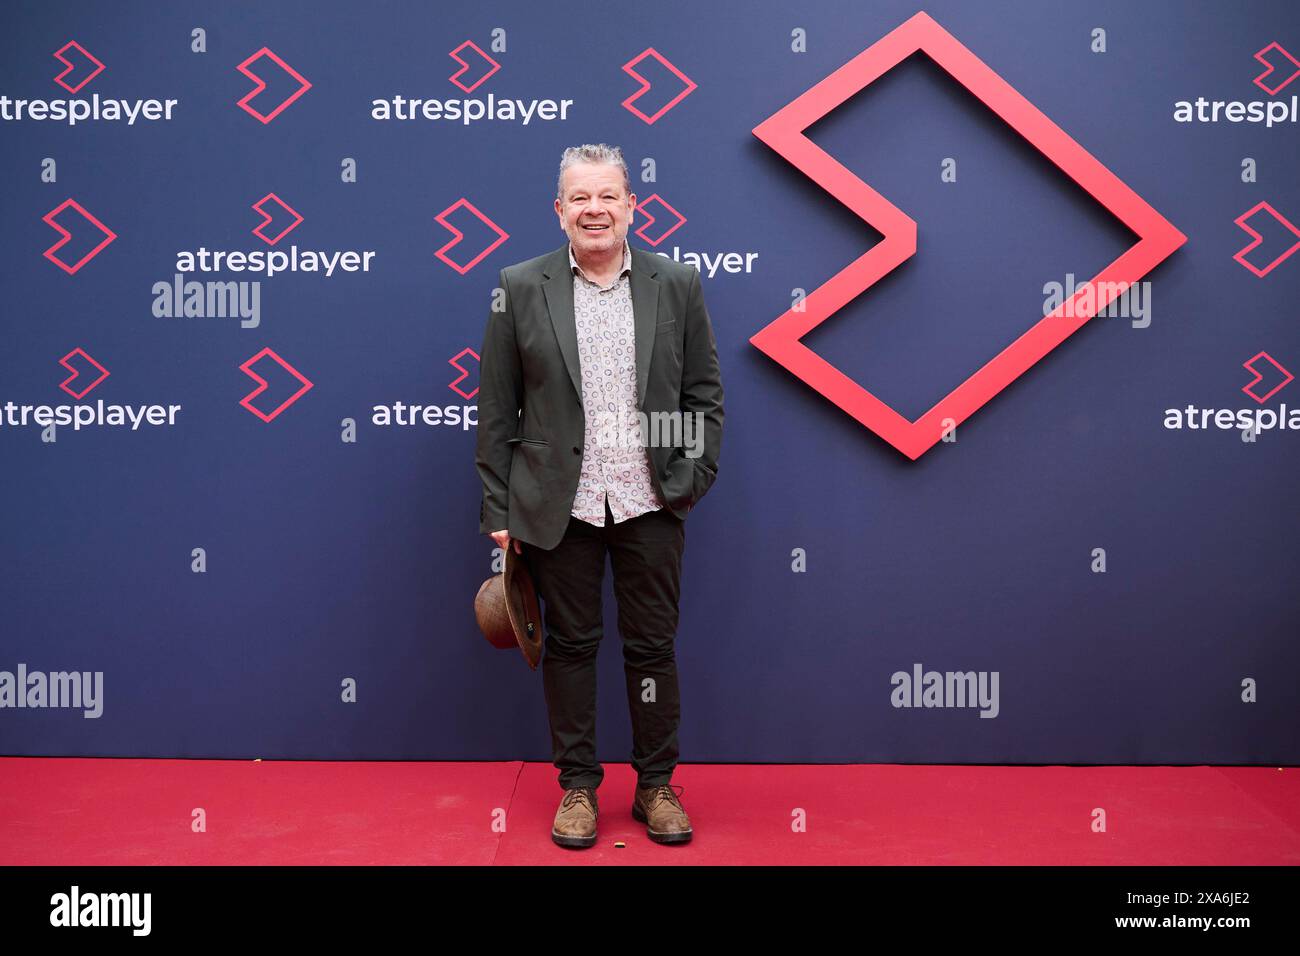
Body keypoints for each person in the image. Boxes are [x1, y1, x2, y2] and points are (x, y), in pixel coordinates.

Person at [475, 143, 724, 848]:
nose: (594, 209)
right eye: (580, 198)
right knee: (572, 649)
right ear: (559, 211)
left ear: (631, 207)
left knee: (652, 649)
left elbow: (703, 397)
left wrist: (688, 482)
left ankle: (655, 786)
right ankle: (578, 788)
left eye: (607, 196)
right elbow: (498, 409)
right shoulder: (520, 286)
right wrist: (499, 511)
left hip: (651, 502)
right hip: (561, 506)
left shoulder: (676, 284)